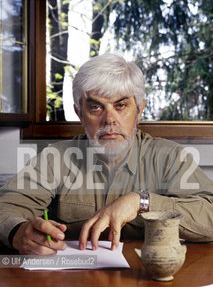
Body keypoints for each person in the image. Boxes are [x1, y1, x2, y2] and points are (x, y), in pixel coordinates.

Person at [0, 53, 213, 255]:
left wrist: (141, 202)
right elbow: (5, 209)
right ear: (79, 114)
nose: (109, 120)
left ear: (139, 110)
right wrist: (17, 233)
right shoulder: (53, 159)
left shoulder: (169, 158)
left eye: (121, 105)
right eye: (95, 107)